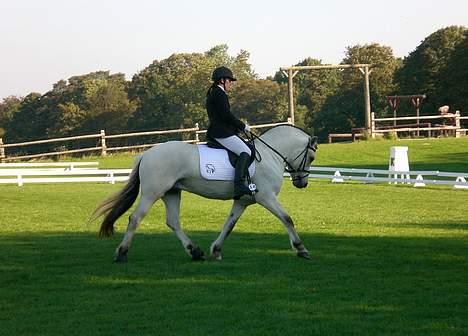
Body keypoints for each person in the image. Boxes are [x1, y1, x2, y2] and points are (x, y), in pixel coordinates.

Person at [205, 66, 252, 199]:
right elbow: (226, 115)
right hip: (221, 132)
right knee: (246, 151)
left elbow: (223, 116)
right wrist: (242, 126)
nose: (231, 83)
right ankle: (239, 186)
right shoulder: (219, 93)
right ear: (222, 80)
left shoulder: (215, 92)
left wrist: (237, 128)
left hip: (221, 130)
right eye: (229, 81)